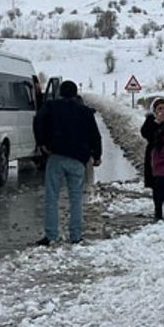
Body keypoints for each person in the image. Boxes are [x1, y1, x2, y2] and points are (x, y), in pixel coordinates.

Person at [33, 80, 102, 245]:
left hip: (56, 156)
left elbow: (38, 121)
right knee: (76, 198)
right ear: (76, 93)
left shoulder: (51, 107)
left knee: (52, 197)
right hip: (78, 160)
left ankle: (51, 235)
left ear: (60, 93)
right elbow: (95, 134)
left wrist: (42, 143)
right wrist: (97, 155)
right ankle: (75, 236)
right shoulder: (85, 112)